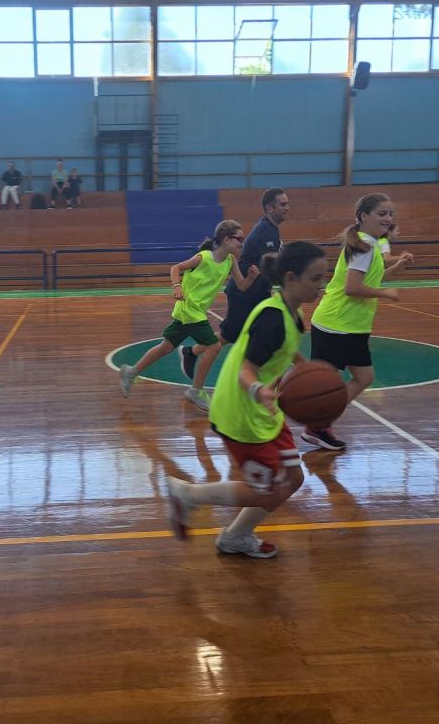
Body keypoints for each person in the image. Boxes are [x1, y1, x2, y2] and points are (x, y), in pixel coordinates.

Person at [165, 241, 328, 559]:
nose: (321, 286)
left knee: (294, 478)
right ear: (291, 279)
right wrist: (260, 391)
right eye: (315, 278)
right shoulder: (272, 318)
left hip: (263, 409)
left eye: (323, 278)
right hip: (241, 411)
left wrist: (308, 371)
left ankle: (236, 537)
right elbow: (246, 371)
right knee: (265, 492)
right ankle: (187, 494)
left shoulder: (291, 311)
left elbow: (285, 350)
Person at [306, 193, 412, 451]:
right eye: (382, 213)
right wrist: (385, 294)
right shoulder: (364, 246)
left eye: (390, 214)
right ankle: (315, 425)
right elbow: (353, 288)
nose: (388, 218)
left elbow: (369, 279)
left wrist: (395, 269)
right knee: (328, 385)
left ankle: (320, 423)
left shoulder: (369, 245)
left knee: (363, 378)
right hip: (336, 324)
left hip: (351, 326)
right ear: (364, 216)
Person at [118, 220, 259, 411]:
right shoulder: (204, 257)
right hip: (189, 310)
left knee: (166, 347)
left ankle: (131, 371)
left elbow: (242, 286)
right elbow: (175, 268)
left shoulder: (230, 261)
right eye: (239, 239)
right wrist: (176, 286)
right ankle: (196, 390)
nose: (242, 243)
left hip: (193, 312)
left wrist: (251, 278)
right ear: (226, 240)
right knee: (214, 346)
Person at [220, 188, 290, 345]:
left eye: (287, 204)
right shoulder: (263, 232)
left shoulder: (271, 230)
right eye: (283, 204)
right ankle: (191, 352)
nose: (287, 208)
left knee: (268, 333)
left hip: (257, 292)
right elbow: (271, 267)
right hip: (244, 293)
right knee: (229, 336)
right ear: (270, 208)